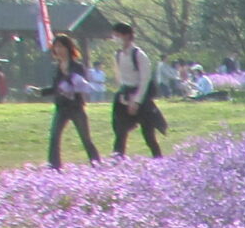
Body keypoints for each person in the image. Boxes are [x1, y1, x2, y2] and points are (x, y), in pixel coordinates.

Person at [108, 20, 163, 159]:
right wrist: (123, 95)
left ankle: (158, 158)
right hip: (124, 96)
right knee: (120, 131)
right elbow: (121, 77)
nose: (115, 38)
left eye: (117, 35)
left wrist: (137, 101)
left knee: (148, 135)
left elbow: (145, 80)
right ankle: (117, 159)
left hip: (140, 98)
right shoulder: (118, 55)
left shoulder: (139, 55)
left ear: (126, 35)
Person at [46, 33, 99, 167]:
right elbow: (55, 88)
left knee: (85, 138)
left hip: (75, 107)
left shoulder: (77, 66)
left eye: (61, 46)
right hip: (61, 107)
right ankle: (54, 166)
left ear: (68, 48)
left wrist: (66, 74)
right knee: (54, 137)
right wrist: (40, 91)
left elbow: (78, 83)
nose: (58, 50)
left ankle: (96, 163)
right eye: (56, 47)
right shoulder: (56, 67)